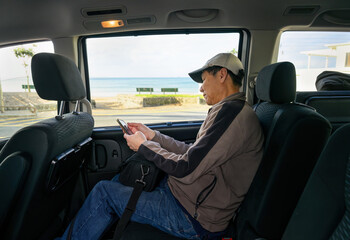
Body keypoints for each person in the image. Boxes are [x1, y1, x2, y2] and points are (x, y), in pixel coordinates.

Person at [57, 53, 264, 240]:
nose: (201, 88)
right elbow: (191, 152)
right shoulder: (227, 110)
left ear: (222, 75)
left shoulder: (232, 115)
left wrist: (144, 146)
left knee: (104, 192)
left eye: (203, 81)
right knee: (123, 178)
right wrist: (153, 136)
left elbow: (186, 167)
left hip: (193, 218)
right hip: (184, 199)